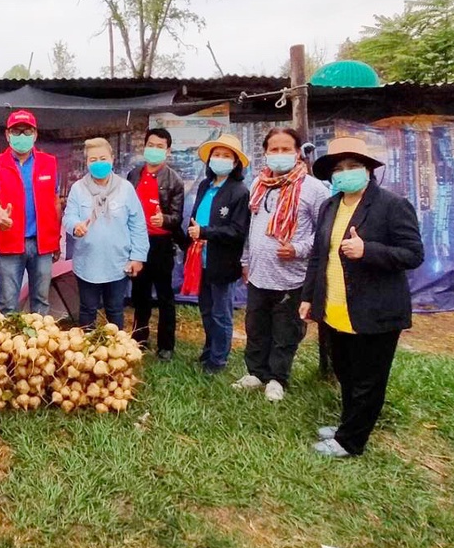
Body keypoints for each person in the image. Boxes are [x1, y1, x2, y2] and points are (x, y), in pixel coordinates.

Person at [299, 136, 424, 458]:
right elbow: (318, 256)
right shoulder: (330, 205)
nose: (345, 173)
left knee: (369, 379)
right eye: (339, 168)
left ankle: (351, 442)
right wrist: (309, 296)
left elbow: (412, 254)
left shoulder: (392, 206)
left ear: (368, 170)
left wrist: (369, 250)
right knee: (346, 372)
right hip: (336, 307)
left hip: (374, 309)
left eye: (353, 166)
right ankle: (349, 424)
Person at [239, 128, 330, 401]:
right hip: (258, 274)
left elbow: (325, 233)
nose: (279, 155)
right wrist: (245, 260)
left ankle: (278, 378)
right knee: (256, 326)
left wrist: (299, 249)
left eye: (286, 149)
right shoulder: (258, 185)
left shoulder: (314, 189)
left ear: (298, 152)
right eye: (274, 150)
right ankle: (256, 372)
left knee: (285, 330)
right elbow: (251, 227)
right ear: (265, 153)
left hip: (292, 277)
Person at [63, 138, 148, 329]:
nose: (98, 163)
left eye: (103, 158)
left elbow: (138, 224)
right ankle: (86, 350)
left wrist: (138, 257)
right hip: (87, 262)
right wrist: (75, 226)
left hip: (117, 263)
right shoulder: (78, 189)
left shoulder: (125, 189)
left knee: (115, 309)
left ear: (112, 159)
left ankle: (115, 350)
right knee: (87, 308)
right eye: (93, 160)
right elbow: (68, 217)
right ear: (86, 163)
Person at [0, 110, 62, 315]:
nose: (21, 136)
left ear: (35, 134)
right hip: (10, 241)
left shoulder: (49, 162)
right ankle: (10, 345)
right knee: (8, 303)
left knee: (41, 301)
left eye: (26, 131)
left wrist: (56, 238)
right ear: (7, 134)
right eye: (16, 131)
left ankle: (37, 344)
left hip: (43, 243)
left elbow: (55, 203)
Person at [186, 134, 251, 374]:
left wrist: (205, 231)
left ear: (235, 163)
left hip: (222, 261)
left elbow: (236, 231)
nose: (220, 159)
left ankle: (218, 360)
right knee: (205, 308)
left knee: (221, 312)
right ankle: (208, 351)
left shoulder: (239, 192)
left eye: (226, 156)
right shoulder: (205, 186)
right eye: (216, 154)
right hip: (200, 259)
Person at [126, 128, 185, 359]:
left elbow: (177, 217)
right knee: (140, 295)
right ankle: (140, 339)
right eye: (151, 144)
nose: (154, 149)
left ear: (167, 151)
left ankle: (166, 346)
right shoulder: (134, 175)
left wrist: (165, 220)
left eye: (160, 146)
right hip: (138, 243)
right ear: (144, 147)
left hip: (161, 244)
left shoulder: (174, 180)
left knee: (164, 297)